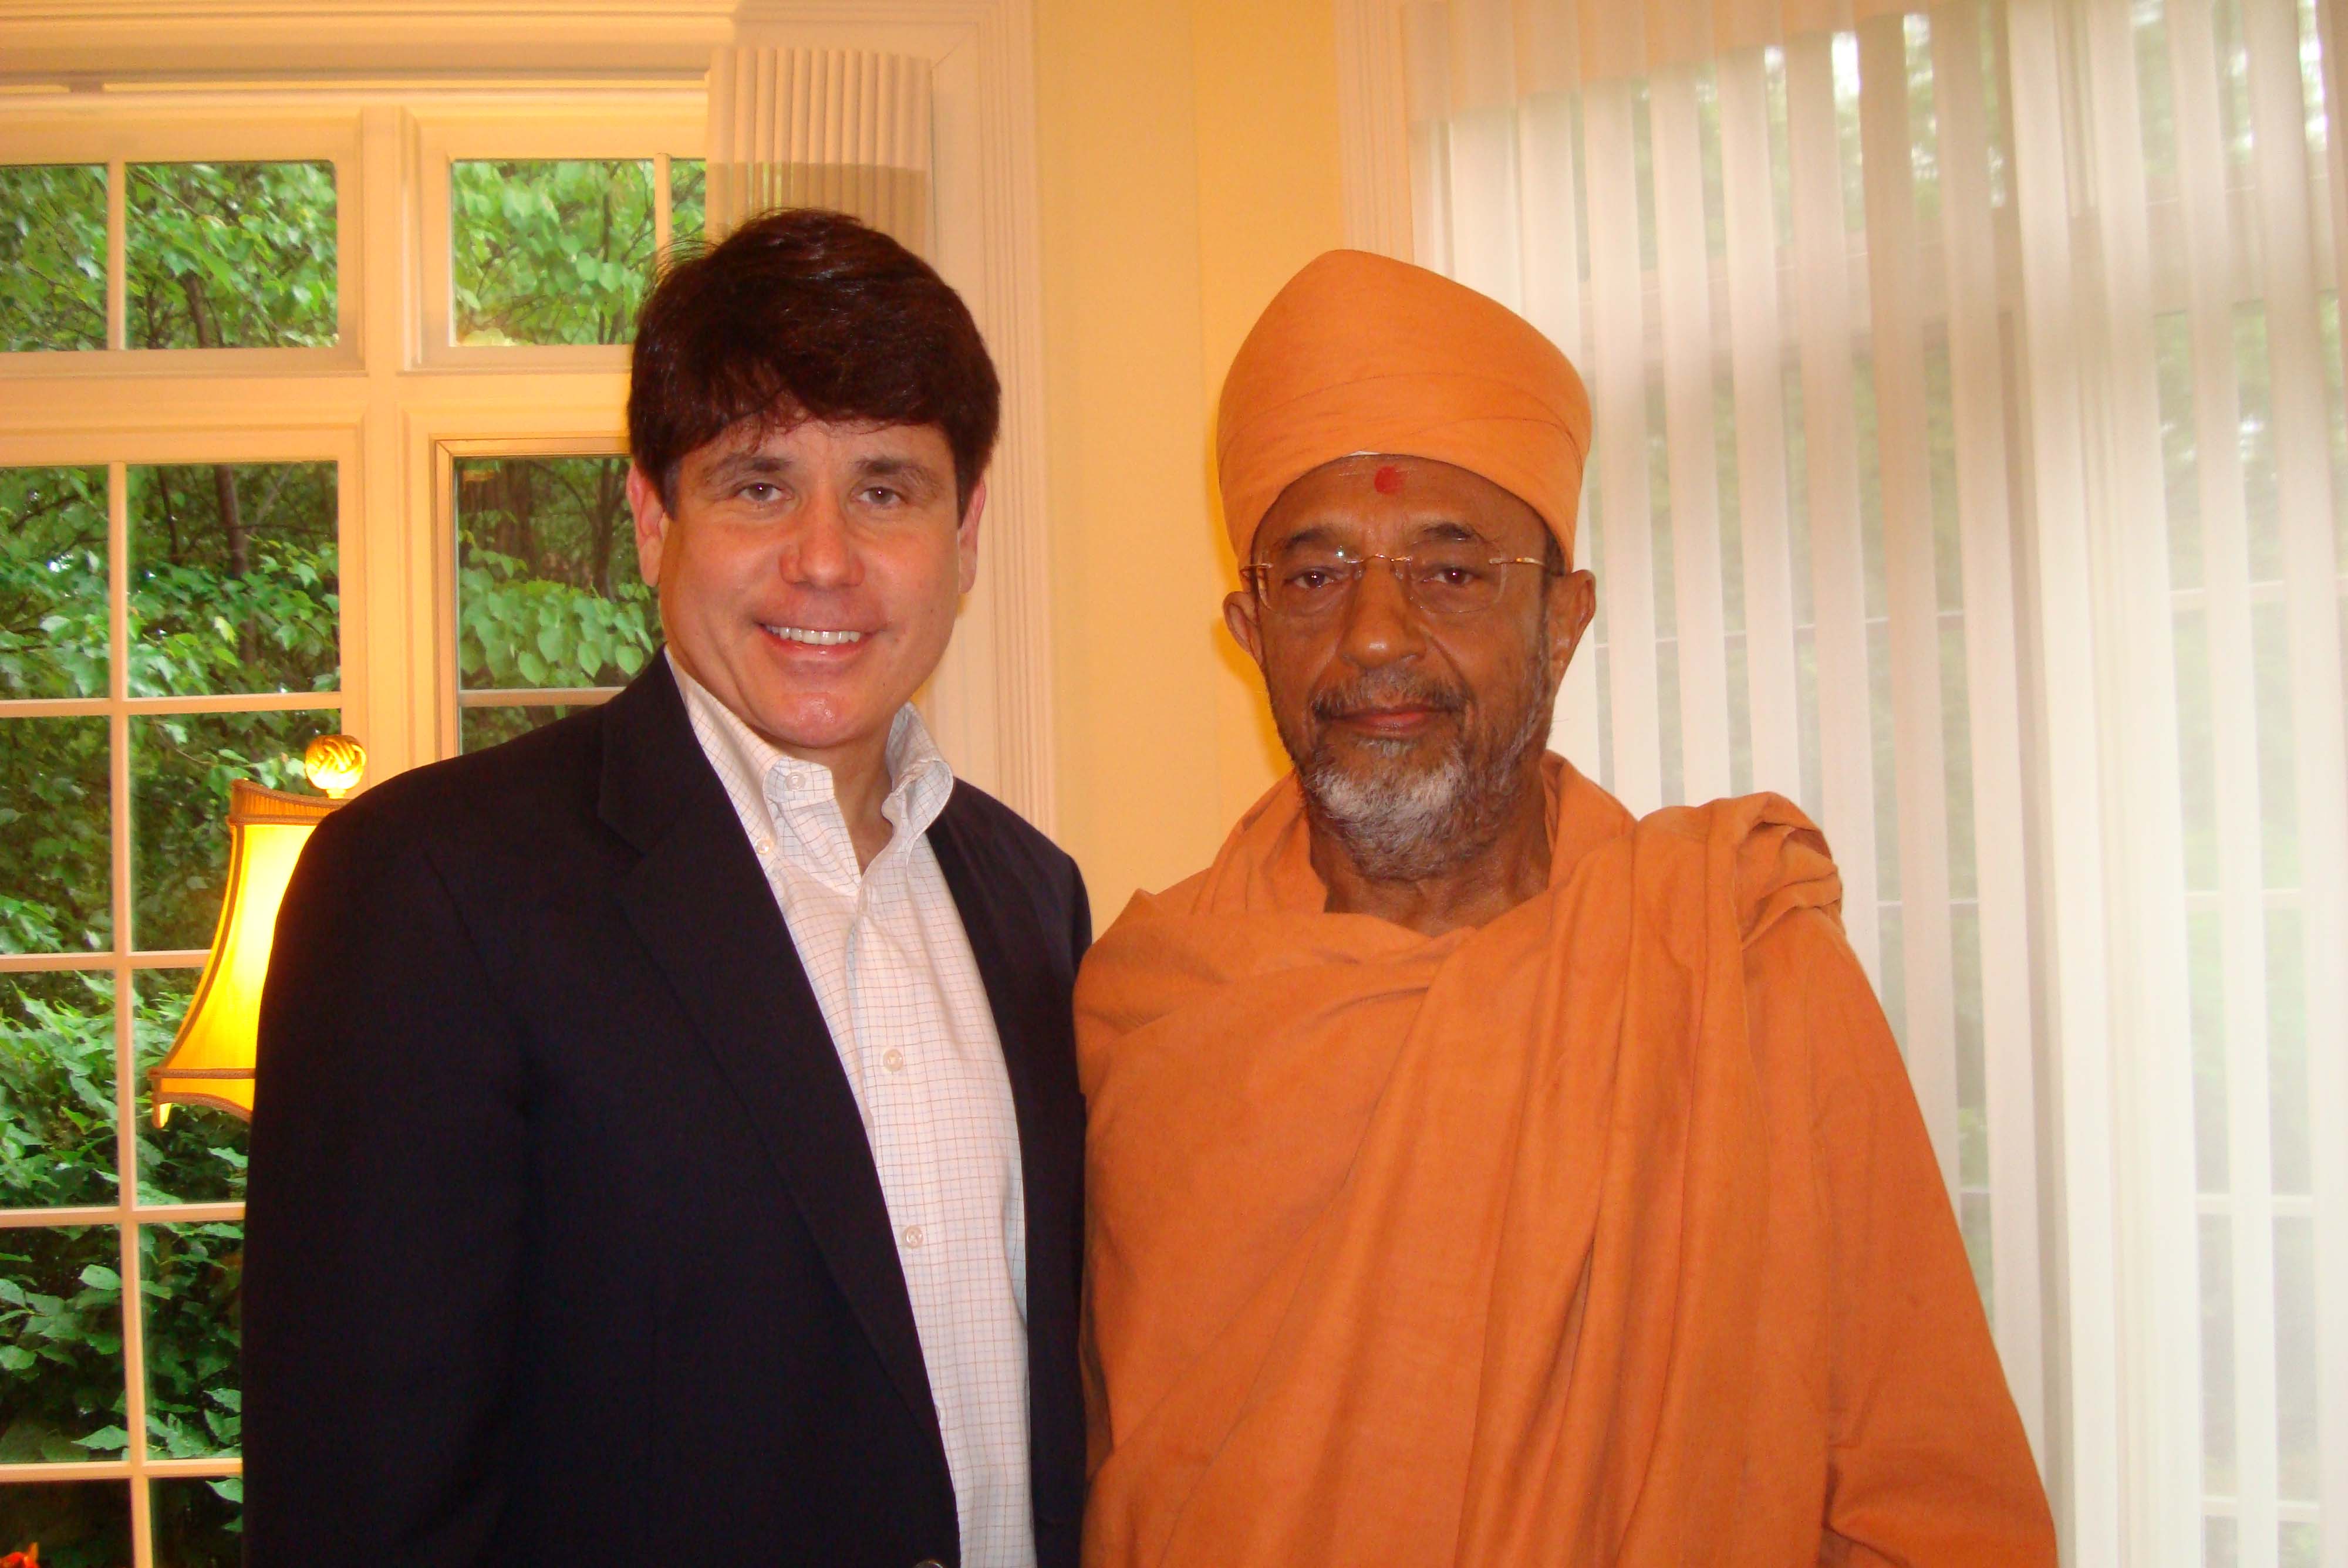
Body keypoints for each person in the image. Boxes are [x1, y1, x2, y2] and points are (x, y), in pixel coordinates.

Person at [1074, 250, 2056, 1567]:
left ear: (1563, 620)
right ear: (1250, 629)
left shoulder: (1736, 963)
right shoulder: (1154, 1016)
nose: (1376, 635)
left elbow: (1919, 1497)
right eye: (1315, 577)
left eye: (1451, 572)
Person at [242, 209, 1088, 1568]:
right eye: (758, 484)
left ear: (967, 529)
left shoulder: (1035, 900)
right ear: (652, 517)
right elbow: (359, 1502)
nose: (824, 557)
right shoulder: (431, 889)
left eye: (885, 489)